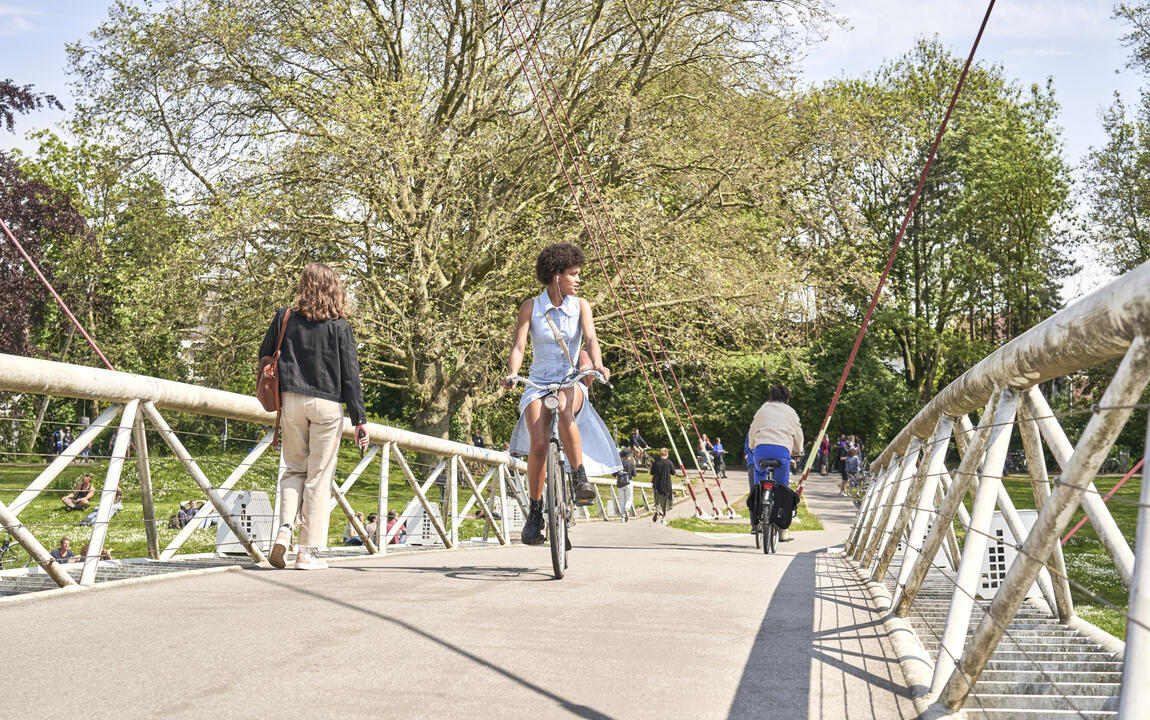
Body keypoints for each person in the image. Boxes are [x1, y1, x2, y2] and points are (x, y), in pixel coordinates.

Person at [504, 243, 621, 545]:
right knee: (540, 444)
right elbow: (519, 347)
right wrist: (513, 374)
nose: (578, 280)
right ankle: (534, 512)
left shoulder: (581, 306)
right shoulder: (531, 307)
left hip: (571, 379)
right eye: (573, 274)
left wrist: (598, 366)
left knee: (566, 408)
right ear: (557, 276)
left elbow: (592, 339)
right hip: (539, 382)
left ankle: (579, 476)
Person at [262, 262, 370, 570]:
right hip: (327, 405)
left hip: (292, 401)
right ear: (333, 288)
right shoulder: (341, 326)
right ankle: (306, 553)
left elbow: (264, 356)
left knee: (293, 470)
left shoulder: (285, 318)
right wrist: (359, 419)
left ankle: (284, 530)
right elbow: (351, 376)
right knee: (318, 477)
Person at [746, 384, 803, 542]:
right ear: (787, 398)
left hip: (761, 450)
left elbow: (753, 430)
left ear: (771, 396)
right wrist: (798, 449)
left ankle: (758, 516)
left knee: (759, 476)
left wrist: (752, 446)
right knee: (782, 486)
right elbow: (798, 433)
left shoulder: (762, 410)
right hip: (781, 451)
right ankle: (783, 530)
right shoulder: (791, 412)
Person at [649, 448, 674, 524]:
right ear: (667, 454)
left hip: (657, 484)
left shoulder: (656, 462)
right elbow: (673, 472)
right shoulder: (669, 462)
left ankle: (657, 511)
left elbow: (651, 472)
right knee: (665, 502)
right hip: (666, 484)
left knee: (658, 501)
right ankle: (663, 518)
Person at [616, 449, 636, 520]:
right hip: (629, 482)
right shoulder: (631, 463)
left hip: (620, 483)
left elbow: (614, 474)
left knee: (622, 500)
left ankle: (623, 517)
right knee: (629, 498)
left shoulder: (619, 463)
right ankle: (627, 508)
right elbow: (634, 474)